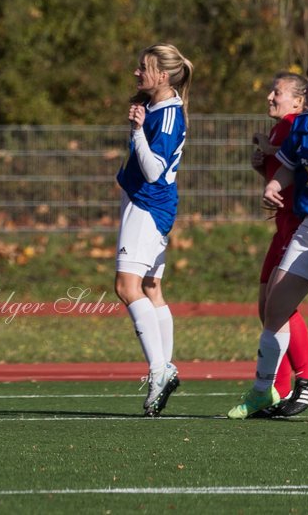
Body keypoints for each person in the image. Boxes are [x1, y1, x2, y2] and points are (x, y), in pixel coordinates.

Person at [230, 61, 308, 419]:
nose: (306, 90)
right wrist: (273, 183)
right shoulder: (302, 124)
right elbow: (287, 165)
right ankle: (261, 390)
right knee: (274, 309)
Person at [113, 43, 191, 417]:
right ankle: (166, 367)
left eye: (143, 67)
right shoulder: (159, 107)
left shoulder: (168, 115)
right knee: (149, 287)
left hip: (148, 206)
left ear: (162, 74)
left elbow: (154, 170)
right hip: (147, 204)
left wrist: (138, 130)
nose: (136, 72)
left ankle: (160, 370)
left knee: (126, 287)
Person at [245, 72, 308, 416]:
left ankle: (306, 379)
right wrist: (264, 168)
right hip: (283, 224)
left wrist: (270, 148)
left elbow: (302, 158)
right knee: (266, 306)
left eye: (276, 92)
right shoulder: (280, 127)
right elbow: (283, 174)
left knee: (280, 304)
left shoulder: (297, 124)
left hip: (299, 224)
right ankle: (279, 387)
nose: (269, 97)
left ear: (298, 100)